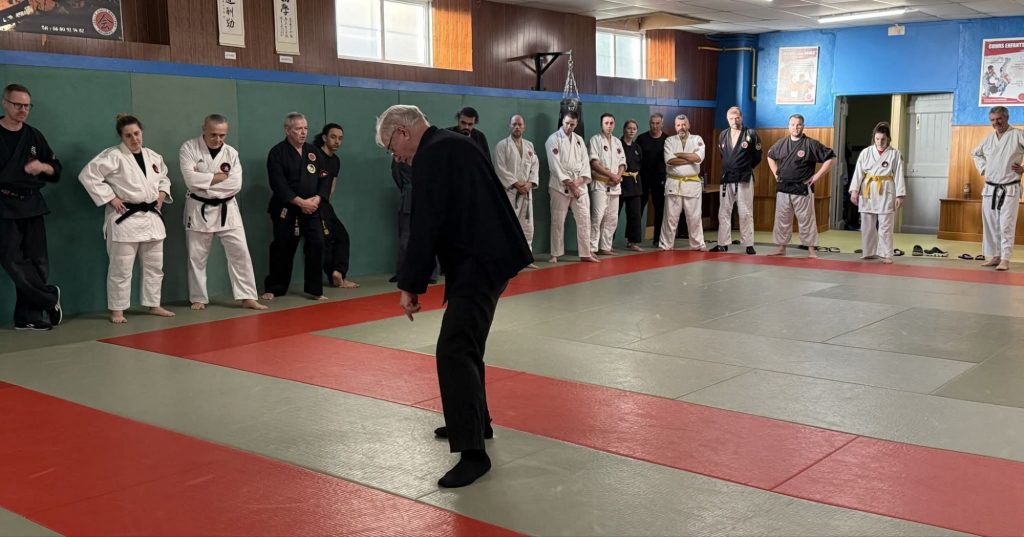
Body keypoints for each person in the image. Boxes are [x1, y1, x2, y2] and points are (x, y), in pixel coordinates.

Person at [375, 104, 532, 488]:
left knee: (454, 349)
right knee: (466, 346)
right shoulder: (449, 144)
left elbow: (425, 224)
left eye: (391, 148)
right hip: (484, 257)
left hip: (481, 261)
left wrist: (411, 285)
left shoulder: (434, 154)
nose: (396, 157)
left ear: (402, 132)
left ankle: (473, 453)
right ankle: (478, 423)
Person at [79, 114, 175, 324]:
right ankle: (117, 310)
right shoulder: (113, 155)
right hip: (125, 219)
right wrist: (110, 198)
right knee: (121, 269)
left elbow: (164, 178)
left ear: (142, 132)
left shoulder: (153, 156)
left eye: (137, 133)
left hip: (151, 218)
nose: (134, 139)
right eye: (128, 135)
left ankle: (154, 304)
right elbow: (88, 175)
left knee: (154, 266)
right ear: (121, 136)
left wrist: (162, 193)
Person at [179, 114, 266, 311]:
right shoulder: (189, 148)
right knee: (196, 256)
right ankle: (198, 297)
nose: (218, 139)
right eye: (213, 134)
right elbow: (191, 181)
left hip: (227, 208)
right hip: (199, 208)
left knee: (240, 252)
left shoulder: (231, 153)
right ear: (203, 129)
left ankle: (247, 296)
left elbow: (235, 184)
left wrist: (205, 183)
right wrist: (217, 178)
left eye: (222, 135)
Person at [0, 83, 63, 331]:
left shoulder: (34, 135)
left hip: (32, 203)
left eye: (27, 106)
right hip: (3, 204)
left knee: (38, 262)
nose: (23, 110)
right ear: (5, 103)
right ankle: (49, 298)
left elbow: (55, 169)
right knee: (11, 260)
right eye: (18, 105)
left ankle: (28, 316)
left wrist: (43, 167)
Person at [261, 112, 331, 301]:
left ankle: (315, 289)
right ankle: (275, 287)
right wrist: (300, 202)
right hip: (287, 208)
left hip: (312, 208)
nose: (303, 132)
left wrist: (318, 198)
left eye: (305, 128)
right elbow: (278, 183)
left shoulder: (313, 151)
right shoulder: (277, 153)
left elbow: (325, 177)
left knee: (317, 243)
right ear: (287, 130)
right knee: (282, 246)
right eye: (298, 129)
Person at [766, 114, 836, 258]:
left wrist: (817, 176)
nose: (795, 127)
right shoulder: (781, 143)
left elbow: (832, 158)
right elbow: (770, 156)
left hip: (802, 188)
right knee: (782, 220)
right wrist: (775, 173)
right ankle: (781, 248)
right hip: (783, 187)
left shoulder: (810, 144)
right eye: (792, 124)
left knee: (806, 220)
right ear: (788, 126)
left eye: (798, 124)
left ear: (803, 126)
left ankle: (811, 250)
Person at [972, 105, 1024, 271]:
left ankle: (1005, 259)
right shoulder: (988, 139)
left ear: (1007, 117)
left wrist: (1023, 168)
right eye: (992, 120)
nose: (996, 123)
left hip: (1009, 188)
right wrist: (984, 169)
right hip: (990, 189)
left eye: (999, 119)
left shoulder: (1018, 135)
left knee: (1006, 224)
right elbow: (975, 154)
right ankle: (995, 256)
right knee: (991, 224)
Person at [850, 122, 907, 265]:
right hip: (868, 189)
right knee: (867, 225)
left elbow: (899, 174)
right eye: (877, 139)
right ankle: (869, 252)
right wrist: (854, 191)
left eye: (883, 139)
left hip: (886, 190)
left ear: (888, 139)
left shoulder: (895, 154)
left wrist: (900, 195)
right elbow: (858, 173)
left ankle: (886, 254)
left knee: (886, 225)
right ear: (873, 138)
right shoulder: (866, 152)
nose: (880, 142)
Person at [545, 111, 598, 263]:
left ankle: (585, 253)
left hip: (579, 184)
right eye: (567, 123)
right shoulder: (553, 139)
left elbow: (585, 164)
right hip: (559, 185)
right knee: (558, 220)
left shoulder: (579, 140)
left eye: (572, 124)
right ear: (562, 121)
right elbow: (555, 166)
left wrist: (579, 182)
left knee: (584, 219)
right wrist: (571, 185)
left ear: (576, 124)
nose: (569, 126)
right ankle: (555, 254)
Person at [713, 106, 762, 255]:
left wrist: (744, 166)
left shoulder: (751, 134)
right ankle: (722, 243)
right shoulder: (723, 134)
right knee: (724, 211)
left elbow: (757, 156)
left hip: (744, 177)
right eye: (731, 118)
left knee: (745, 211)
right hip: (727, 176)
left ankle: (748, 244)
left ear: (742, 118)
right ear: (727, 119)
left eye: (737, 118)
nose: (734, 121)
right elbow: (723, 155)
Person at [316, 123, 359, 288]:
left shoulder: (335, 161)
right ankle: (334, 276)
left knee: (342, 236)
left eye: (340, 138)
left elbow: (332, 184)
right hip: (311, 204)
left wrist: (326, 201)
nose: (337, 141)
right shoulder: (314, 155)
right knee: (326, 241)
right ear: (324, 137)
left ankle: (338, 272)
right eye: (333, 137)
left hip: (325, 204)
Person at [494, 114, 539, 267]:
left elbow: (535, 167)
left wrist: (530, 183)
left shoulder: (529, 145)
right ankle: (508, 259)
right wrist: (515, 183)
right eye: (514, 124)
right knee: (509, 226)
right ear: (510, 126)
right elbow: (500, 168)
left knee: (527, 227)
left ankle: (526, 259)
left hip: (526, 192)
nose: (517, 127)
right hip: (510, 193)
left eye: (520, 124)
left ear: (524, 127)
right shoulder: (502, 146)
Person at [660, 114, 706, 251]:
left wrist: (678, 154)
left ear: (689, 125)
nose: (682, 127)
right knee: (670, 217)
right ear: (675, 126)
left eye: (684, 124)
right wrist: (689, 158)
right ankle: (666, 245)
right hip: (674, 183)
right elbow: (669, 160)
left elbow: (698, 158)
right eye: (679, 125)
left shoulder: (697, 139)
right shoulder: (669, 140)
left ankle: (698, 244)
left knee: (694, 217)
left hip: (692, 183)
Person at [588, 113, 626, 256]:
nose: (609, 126)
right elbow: (594, 163)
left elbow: (622, 163)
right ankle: (592, 248)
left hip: (615, 184)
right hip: (600, 183)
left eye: (611, 123)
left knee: (612, 218)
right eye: (606, 123)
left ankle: (605, 246)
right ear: (601, 125)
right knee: (597, 216)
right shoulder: (595, 140)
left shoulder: (617, 142)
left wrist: (618, 176)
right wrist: (611, 175)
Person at [636, 113, 668, 247]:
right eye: (652, 123)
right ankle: (634, 240)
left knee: (660, 209)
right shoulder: (641, 138)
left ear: (662, 124)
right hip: (643, 178)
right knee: (638, 209)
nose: (654, 126)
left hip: (659, 179)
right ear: (649, 123)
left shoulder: (667, 139)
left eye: (657, 123)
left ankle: (657, 239)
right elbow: (635, 158)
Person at [619, 119, 644, 251]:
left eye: (634, 129)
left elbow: (641, 164)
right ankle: (606, 242)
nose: (631, 131)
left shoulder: (637, 148)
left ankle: (632, 242)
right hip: (620, 181)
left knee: (635, 214)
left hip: (634, 183)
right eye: (629, 128)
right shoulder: (617, 145)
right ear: (624, 129)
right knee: (613, 215)